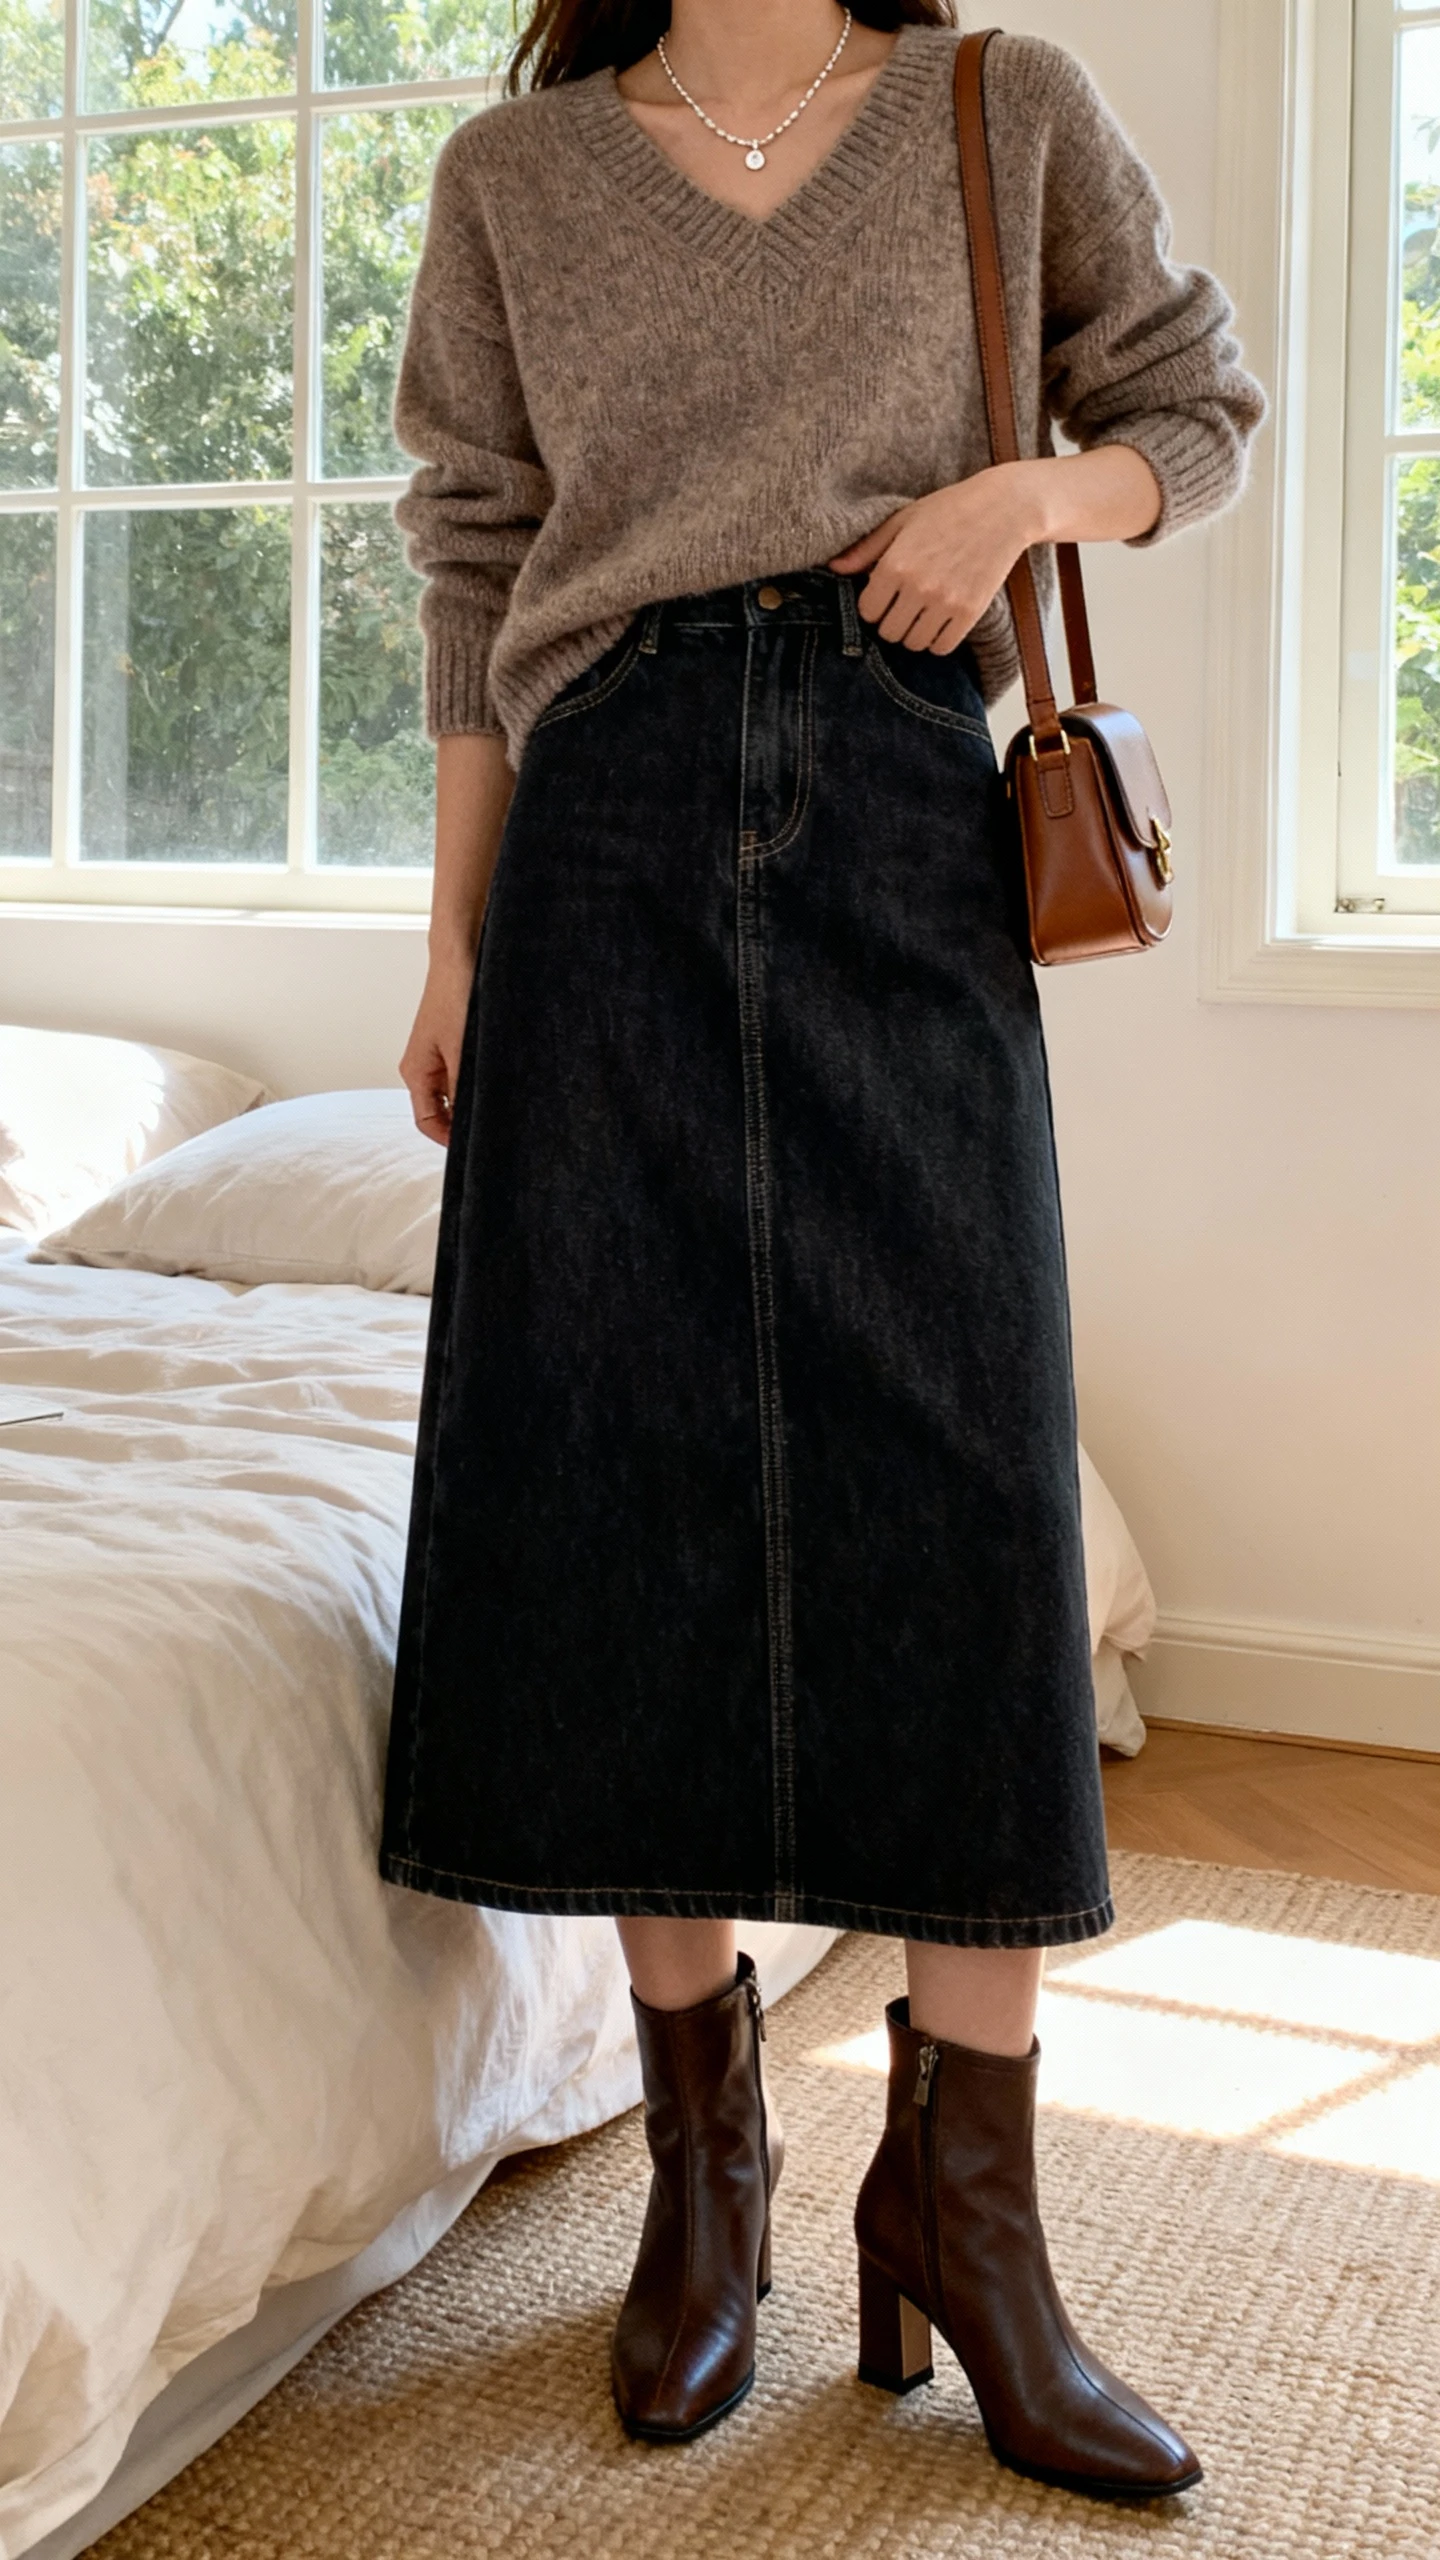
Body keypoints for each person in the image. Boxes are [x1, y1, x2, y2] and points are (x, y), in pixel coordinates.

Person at [381, 0, 1263, 2500]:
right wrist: (452, 944)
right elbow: (469, 558)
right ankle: (710, 2169)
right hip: (608, 824)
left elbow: (1193, 416)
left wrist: (1022, 504)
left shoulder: (1006, 109)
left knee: (966, 1475)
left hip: (902, 810)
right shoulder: (519, 172)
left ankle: (970, 2210)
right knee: (619, 1469)